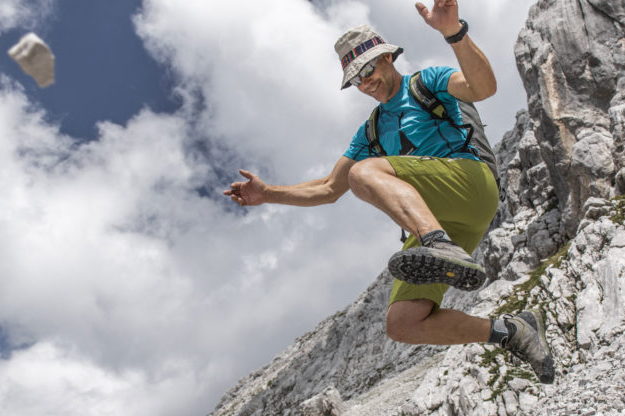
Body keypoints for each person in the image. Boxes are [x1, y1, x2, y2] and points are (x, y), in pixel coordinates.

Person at [224, 0, 554, 383]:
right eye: (355, 79)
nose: (365, 82)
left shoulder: (426, 83)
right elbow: (329, 189)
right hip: (444, 221)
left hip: (471, 183)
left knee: (363, 173)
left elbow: (484, 87)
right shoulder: (371, 130)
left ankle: (436, 243)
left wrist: (454, 33)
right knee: (404, 323)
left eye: (368, 70)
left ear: (387, 58)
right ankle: (514, 330)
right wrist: (269, 194)